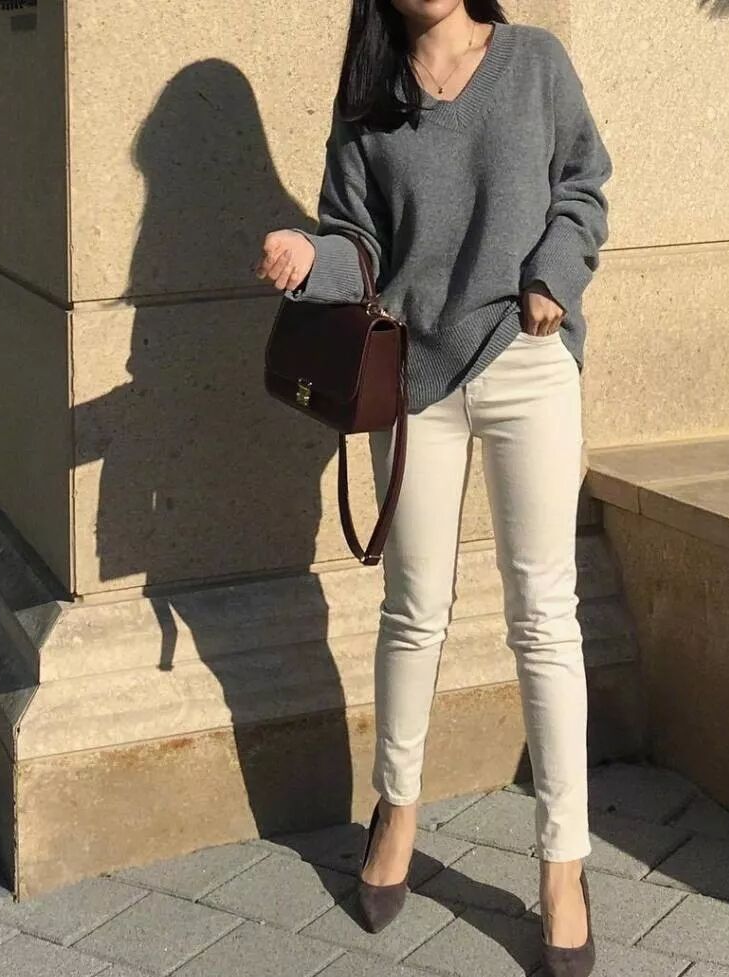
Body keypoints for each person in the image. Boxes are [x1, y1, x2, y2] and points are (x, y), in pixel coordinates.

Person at [255, 1, 611, 973]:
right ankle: (397, 811)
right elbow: (356, 241)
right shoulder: (371, 96)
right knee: (413, 608)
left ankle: (563, 864)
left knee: (545, 614)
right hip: (413, 380)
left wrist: (553, 275)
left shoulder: (533, 63)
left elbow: (582, 186)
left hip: (528, 361)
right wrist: (309, 257)